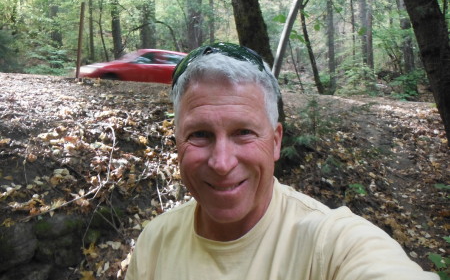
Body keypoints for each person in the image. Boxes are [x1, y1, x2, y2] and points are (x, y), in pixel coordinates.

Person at [125, 42, 438, 280]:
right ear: (178, 142)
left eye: (244, 132)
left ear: (275, 142)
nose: (222, 163)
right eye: (200, 134)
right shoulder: (155, 243)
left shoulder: (330, 244)